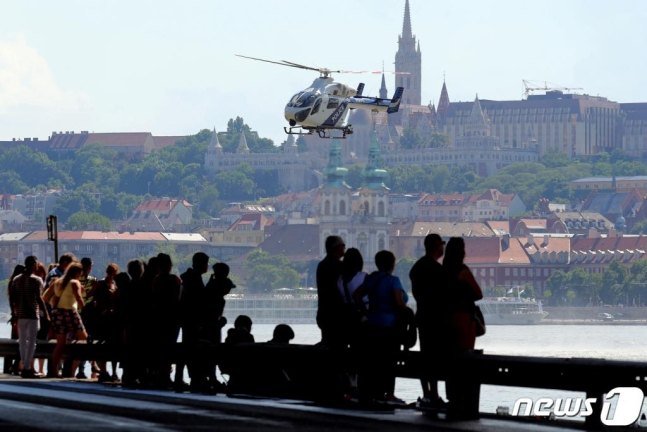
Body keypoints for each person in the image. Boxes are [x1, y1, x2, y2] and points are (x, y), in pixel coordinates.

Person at [353, 250, 408, 405]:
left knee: (374, 361)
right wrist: (409, 313)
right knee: (390, 362)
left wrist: (365, 310)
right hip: (390, 328)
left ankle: (375, 393)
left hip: (372, 325)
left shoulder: (372, 279)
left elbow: (357, 295)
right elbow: (399, 302)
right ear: (392, 264)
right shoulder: (393, 281)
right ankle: (389, 394)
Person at [442, 237, 484, 419]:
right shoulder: (463, 271)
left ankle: (453, 400)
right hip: (463, 318)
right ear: (462, 252)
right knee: (466, 358)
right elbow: (478, 293)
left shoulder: (442, 272)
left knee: (451, 359)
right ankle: (464, 403)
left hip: (445, 319)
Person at [409, 233, 449, 409]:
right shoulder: (437, 270)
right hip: (437, 319)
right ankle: (435, 394)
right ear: (436, 246)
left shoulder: (417, 268)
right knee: (436, 357)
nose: (443, 248)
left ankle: (427, 394)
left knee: (425, 356)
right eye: (442, 245)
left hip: (423, 316)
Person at [9, 256, 49, 378]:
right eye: (36, 264)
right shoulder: (37, 280)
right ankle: (26, 368)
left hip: (20, 315)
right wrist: (46, 314)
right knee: (32, 342)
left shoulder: (16, 279)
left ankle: (24, 366)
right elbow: (38, 298)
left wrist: (13, 313)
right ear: (33, 265)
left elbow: (12, 298)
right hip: (32, 315)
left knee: (22, 342)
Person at [179, 252, 210, 392]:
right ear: (202, 264)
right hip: (194, 320)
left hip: (186, 320)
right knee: (193, 349)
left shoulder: (188, 278)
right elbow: (200, 300)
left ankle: (186, 377)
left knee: (187, 348)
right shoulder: (195, 280)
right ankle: (197, 378)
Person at [50, 262, 87, 378]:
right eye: (80, 274)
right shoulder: (75, 282)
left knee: (60, 345)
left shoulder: (57, 282)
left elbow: (45, 297)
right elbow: (78, 298)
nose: (80, 277)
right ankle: (72, 370)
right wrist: (86, 311)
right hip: (70, 313)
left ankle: (54, 370)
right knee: (84, 339)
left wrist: (55, 303)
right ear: (77, 273)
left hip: (58, 314)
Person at [316, 235, 345, 348]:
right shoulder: (339, 266)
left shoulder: (322, 265)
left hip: (324, 312)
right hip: (337, 314)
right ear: (338, 248)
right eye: (343, 246)